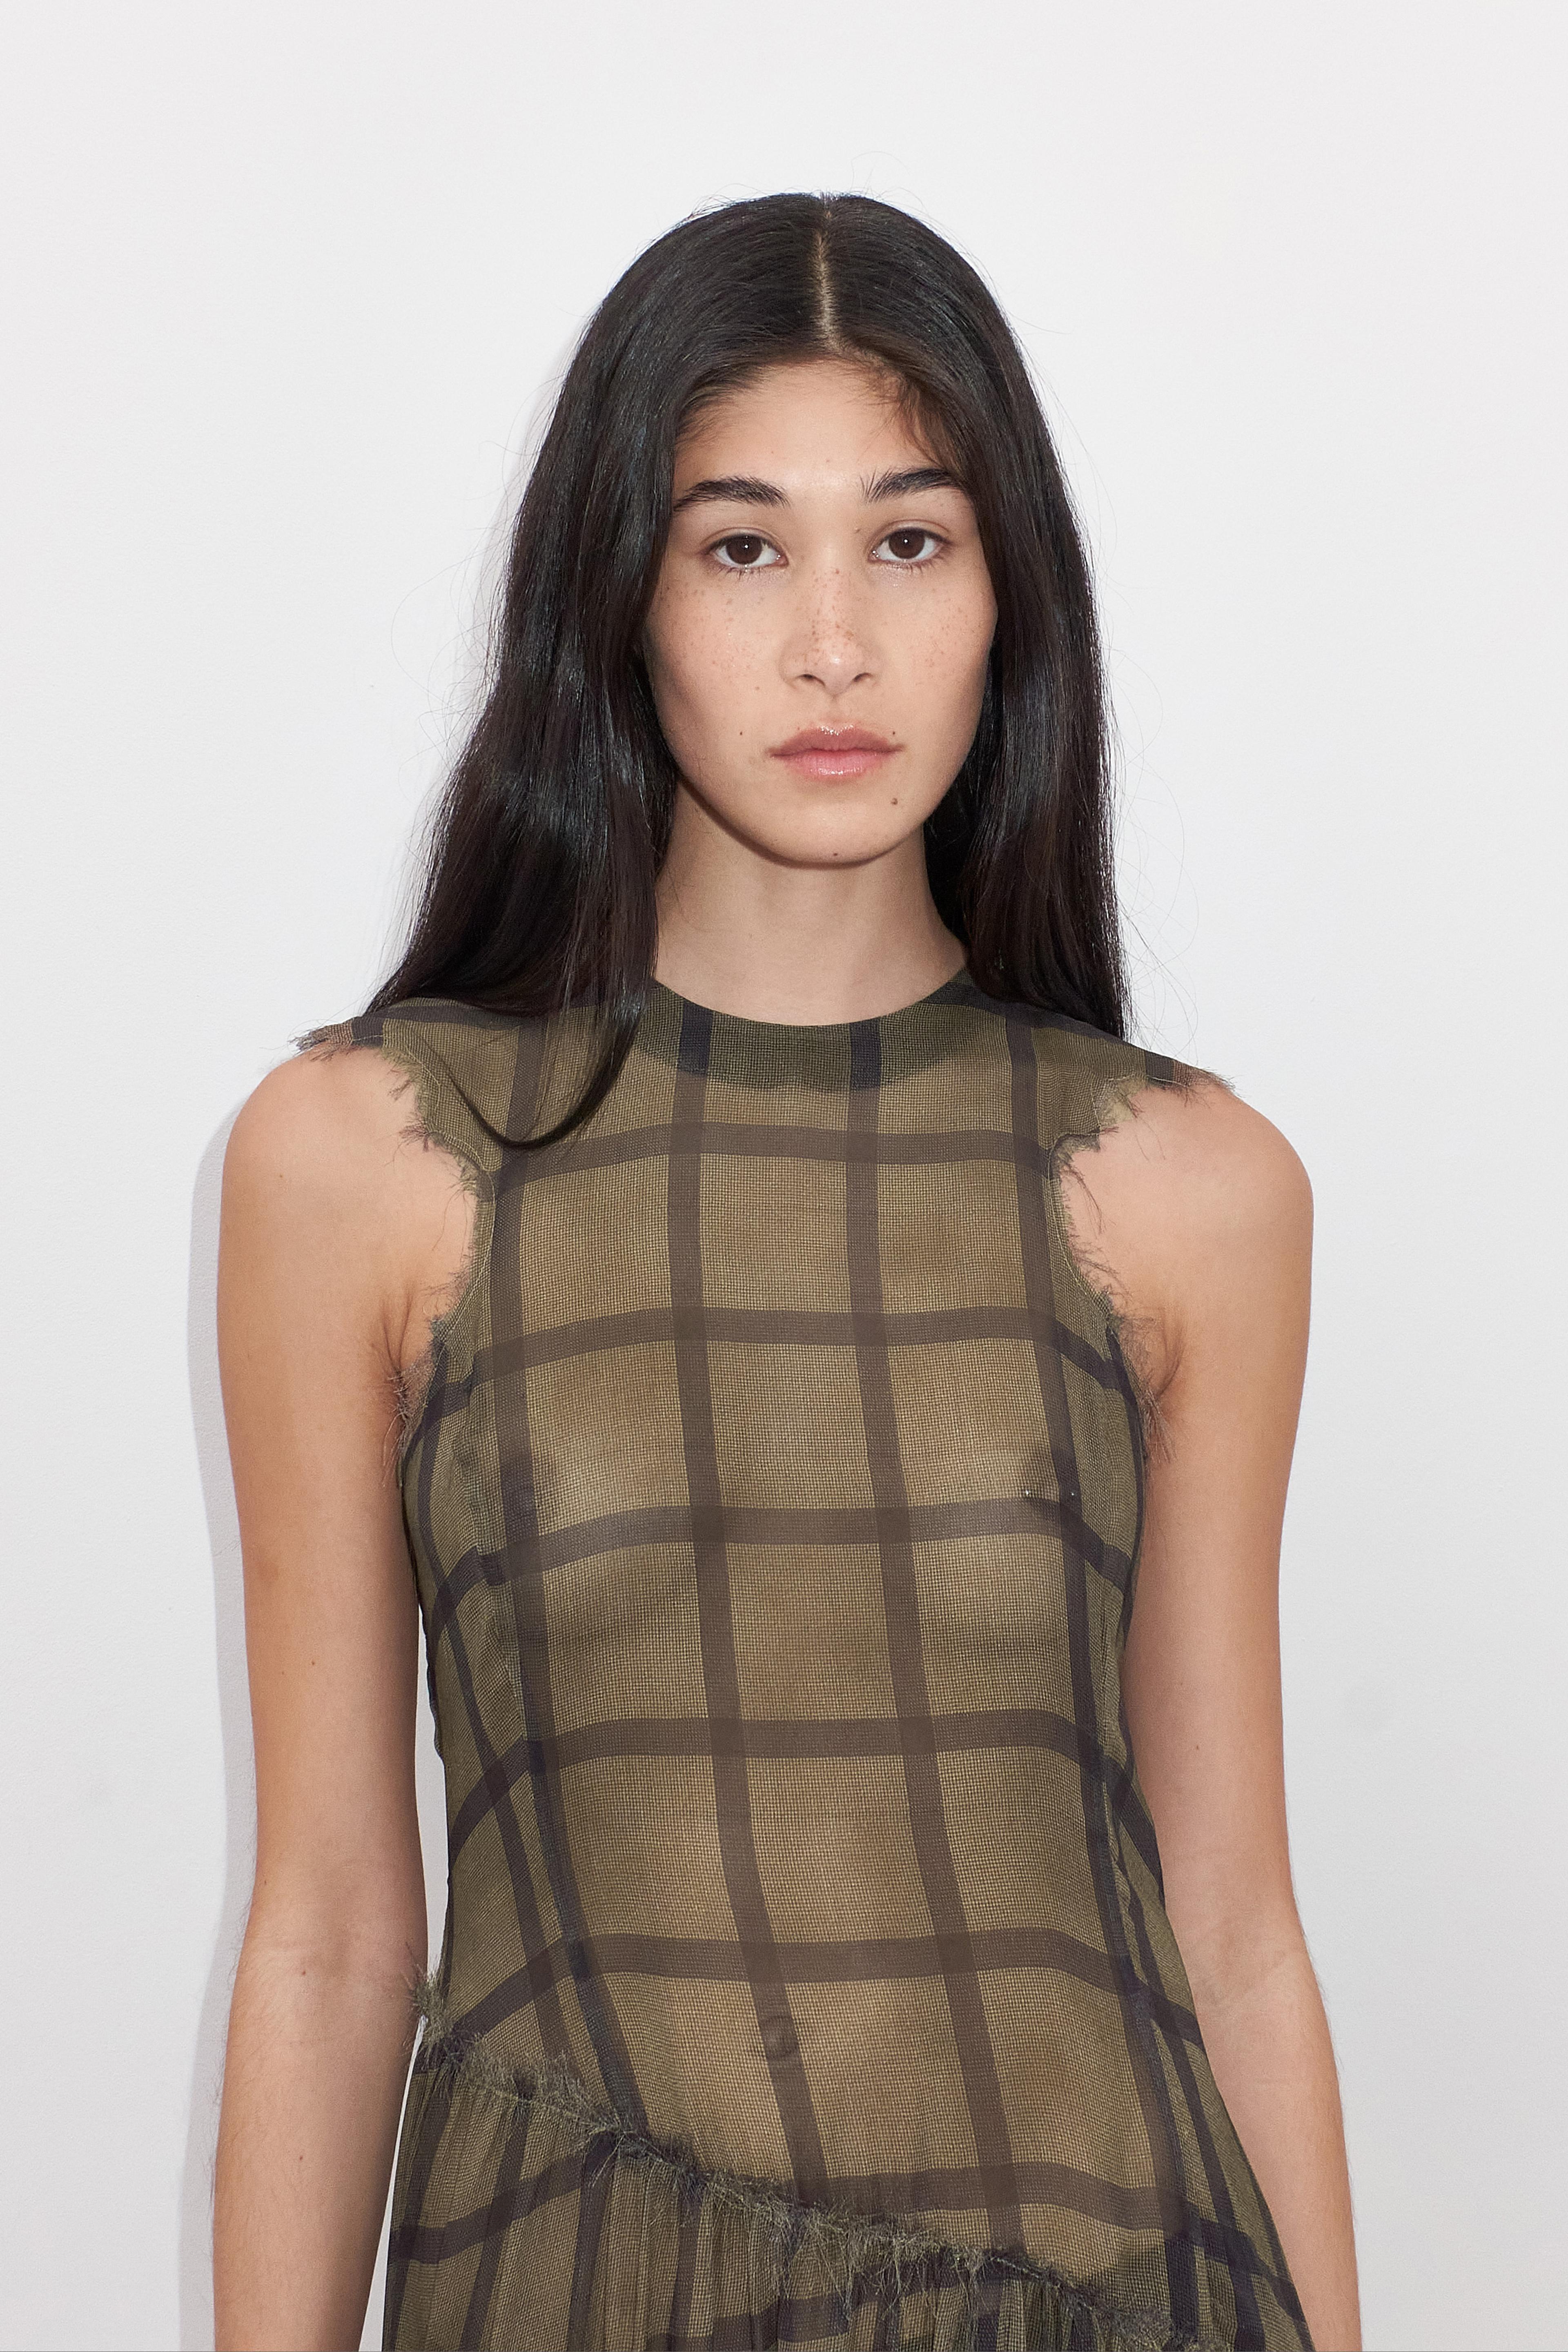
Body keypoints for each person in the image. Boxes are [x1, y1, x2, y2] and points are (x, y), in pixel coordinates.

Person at [212, 193, 1360, 2352]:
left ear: (1010, 599)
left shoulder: (1189, 1188)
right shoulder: (368, 1160)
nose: (835, 644)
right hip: (574, 2292)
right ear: (619, 602)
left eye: (910, 543)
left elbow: (1233, 1927)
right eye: (742, 548)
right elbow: (335, 1932)